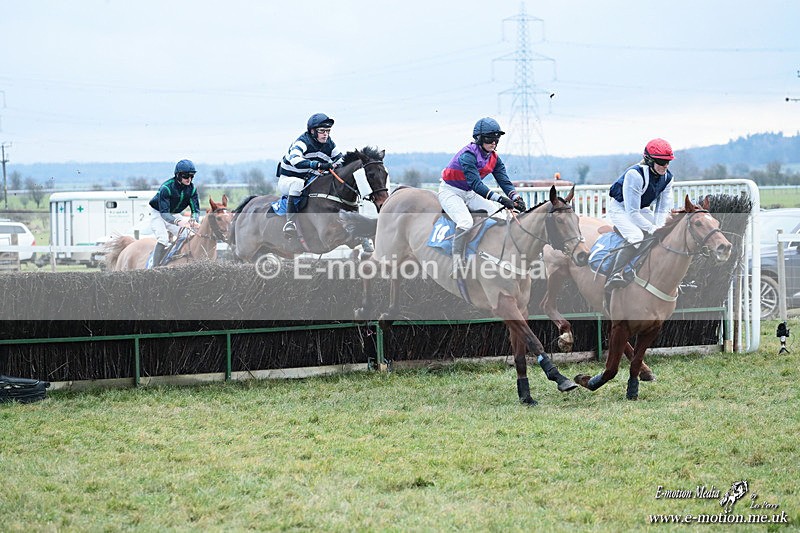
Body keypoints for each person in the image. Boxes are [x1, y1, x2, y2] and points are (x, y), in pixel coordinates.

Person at [438, 117, 526, 266]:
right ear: (479, 138)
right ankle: (457, 262)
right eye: (490, 139)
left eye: (496, 139)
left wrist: (515, 197)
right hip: (451, 191)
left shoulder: (494, 158)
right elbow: (476, 184)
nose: (493, 142)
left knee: (500, 216)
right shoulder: (468, 155)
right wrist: (501, 199)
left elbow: (503, 180)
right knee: (465, 222)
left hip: (469, 193)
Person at [604, 138, 675, 289]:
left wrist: (660, 227)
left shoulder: (668, 177)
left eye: (668, 162)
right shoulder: (634, 175)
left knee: (665, 232)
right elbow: (632, 213)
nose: (666, 166)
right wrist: (652, 229)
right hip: (621, 210)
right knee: (637, 236)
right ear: (649, 160)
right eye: (662, 162)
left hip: (641, 209)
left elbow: (662, 209)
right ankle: (615, 274)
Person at [277, 113, 344, 238]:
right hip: (289, 180)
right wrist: (318, 165)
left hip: (308, 179)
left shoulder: (329, 144)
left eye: (328, 131)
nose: (326, 134)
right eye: (322, 131)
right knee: (298, 184)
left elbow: (341, 160)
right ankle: (290, 223)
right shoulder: (302, 142)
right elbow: (295, 161)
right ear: (312, 131)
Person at [148, 159, 201, 267]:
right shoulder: (166, 188)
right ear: (178, 175)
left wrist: (194, 220)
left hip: (174, 212)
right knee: (163, 239)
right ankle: (155, 268)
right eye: (186, 176)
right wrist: (178, 222)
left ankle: (173, 257)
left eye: (192, 176)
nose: (189, 179)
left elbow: (195, 210)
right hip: (159, 212)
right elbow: (164, 213)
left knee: (186, 235)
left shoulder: (192, 189)